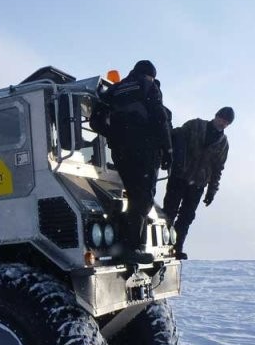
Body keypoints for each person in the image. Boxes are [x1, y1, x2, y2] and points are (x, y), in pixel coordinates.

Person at [95, 60, 172, 264]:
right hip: (145, 151)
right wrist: (168, 149)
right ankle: (133, 248)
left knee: (134, 195)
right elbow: (160, 118)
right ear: (149, 75)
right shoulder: (149, 86)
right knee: (143, 199)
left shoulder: (114, 90)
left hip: (121, 154)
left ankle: (127, 246)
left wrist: (115, 135)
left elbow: (96, 120)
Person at [162, 106, 234, 259]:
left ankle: (176, 247)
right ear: (216, 116)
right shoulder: (195, 125)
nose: (223, 123)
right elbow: (174, 136)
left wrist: (211, 192)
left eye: (227, 122)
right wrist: (168, 158)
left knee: (187, 217)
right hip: (179, 177)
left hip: (198, 185)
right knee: (169, 212)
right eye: (222, 119)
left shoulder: (223, 143)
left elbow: (218, 169)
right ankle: (162, 244)